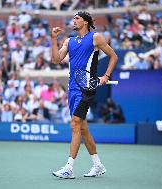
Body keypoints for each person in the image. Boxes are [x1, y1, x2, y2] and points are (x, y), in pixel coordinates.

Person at [51, 11, 118, 179]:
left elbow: (113, 57)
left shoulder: (96, 38)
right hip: (72, 89)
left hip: (86, 88)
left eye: (77, 18)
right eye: (73, 18)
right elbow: (56, 59)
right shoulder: (69, 41)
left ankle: (69, 168)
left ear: (86, 22)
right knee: (82, 128)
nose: (74, 21)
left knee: (74, 124)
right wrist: (53, 39)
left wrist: (106, 76)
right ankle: (98, 165)